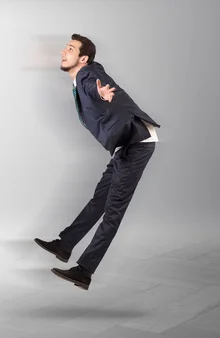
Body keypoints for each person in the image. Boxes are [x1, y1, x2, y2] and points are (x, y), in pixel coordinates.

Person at [34, 34, 160, 290]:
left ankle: (85, 271)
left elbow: (95, 84)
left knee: (113, 211)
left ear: (83, 58)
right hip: (128, 142)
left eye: (70, 49)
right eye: (64, 48)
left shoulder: (87, 74)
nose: (63, 52)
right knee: (99, 200)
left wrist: (100, 93)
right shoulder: (82, 79)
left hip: (138, 142)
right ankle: (65, 244)